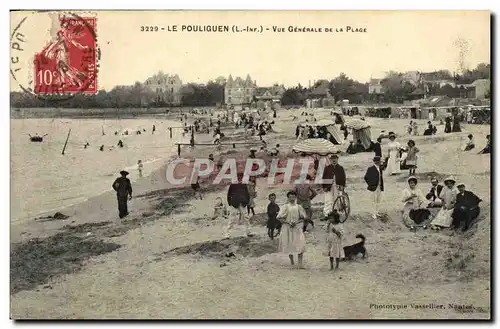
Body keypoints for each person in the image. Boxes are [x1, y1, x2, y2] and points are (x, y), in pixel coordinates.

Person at [276, 191, 307, 269]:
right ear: (288, 198)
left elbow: (304, 218)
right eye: (290, 197)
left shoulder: (299, 207)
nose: (292, 198)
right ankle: (292, 262)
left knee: (300, 244)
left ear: (296, 197)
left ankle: (300, 264)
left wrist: (296, 222)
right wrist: (288, 223)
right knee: (290, 244)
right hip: (288, 228)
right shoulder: (285, 207)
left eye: (293, 197)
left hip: (297, 228)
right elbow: (279, 217)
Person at [225, 173, 252, 238]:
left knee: (246, 217)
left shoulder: (244, 185)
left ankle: (248, 232)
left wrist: (247, 201)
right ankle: (227, 234)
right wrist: (230, 203)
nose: (240, 179)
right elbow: (229, 194)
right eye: (238, 177)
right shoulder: (233, 185)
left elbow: (247, 194)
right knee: (232, 218)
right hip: (234, 203)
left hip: (242, 203)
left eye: (241, 177)